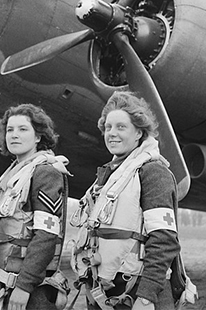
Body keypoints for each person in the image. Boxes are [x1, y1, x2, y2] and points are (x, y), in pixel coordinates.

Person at [70, 91, 180, 310]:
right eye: (108, 127)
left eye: (121, 127)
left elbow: (164, 240)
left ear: (139, 132)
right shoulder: (110, 175)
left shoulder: (153, 172)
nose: (112, 133)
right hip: (106, 294)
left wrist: (146, 297)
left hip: (138, 297)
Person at [0, 104, 70, 310]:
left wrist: (24, 287)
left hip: (28, 290)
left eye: (23, 129)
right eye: (10, 130)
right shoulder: (13, 172)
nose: (14, 135)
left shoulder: (45, 173)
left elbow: (46, 236)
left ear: (38, 137)